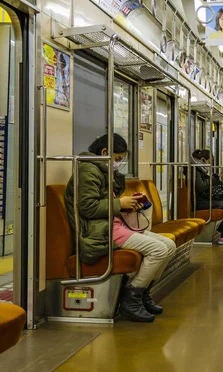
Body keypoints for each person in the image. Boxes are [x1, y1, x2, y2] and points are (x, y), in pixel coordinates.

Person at [65, 133, 176, 323]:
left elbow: (111, 198)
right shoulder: (88, 170)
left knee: (169, 245)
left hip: (113, 223)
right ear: (105, 152)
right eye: (117, 159)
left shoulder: (104, 170)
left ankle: (143, 291)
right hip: (99, 230)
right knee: (158, 250)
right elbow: (87, 207)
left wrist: (128, 201)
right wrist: (120, 204)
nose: (118, 163)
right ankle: (131, 298)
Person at [191, 149, 223, 244]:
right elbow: (201, 187)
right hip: (200, 202)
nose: (209, 163)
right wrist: (213, 179)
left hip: (204, 199)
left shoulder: (200, 170)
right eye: (209, 160)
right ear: (203, 159)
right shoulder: (195, 170)